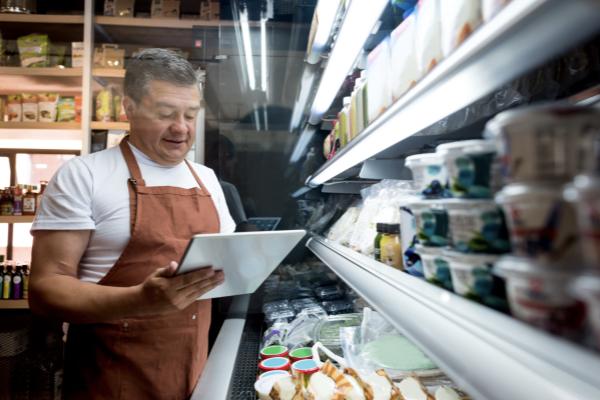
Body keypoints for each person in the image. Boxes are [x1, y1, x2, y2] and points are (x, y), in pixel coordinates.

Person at [28, 48, 236, 399]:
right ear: (130, 108)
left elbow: (223, 266)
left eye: (190, 114)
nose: (181, 128)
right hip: (111, 380)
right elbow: (45, 290)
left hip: (195, 373)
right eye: (166, 114)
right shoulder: (84, 175)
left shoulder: (208, 179)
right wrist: (140, 300)